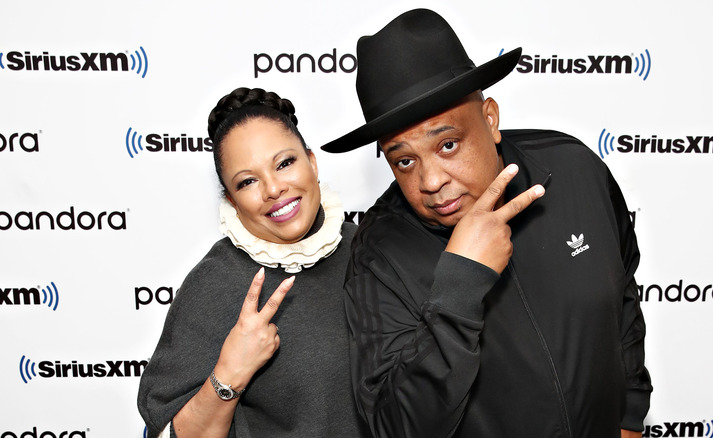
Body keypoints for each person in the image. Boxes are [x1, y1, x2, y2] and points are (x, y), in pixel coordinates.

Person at [321, 9, 652, 438]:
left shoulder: (574, 169)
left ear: (490, 119)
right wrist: (460, 285)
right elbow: (395, 427)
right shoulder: (380, 254)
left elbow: (623, 295)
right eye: (404, 160)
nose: (431, 181)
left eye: (448, 144)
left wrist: (629, 417)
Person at [138, 87, 370, 438]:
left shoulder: (371, 250)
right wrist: (230, 373)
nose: (273, 189)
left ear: (313, 162)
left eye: (285, 163)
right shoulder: (215, 283)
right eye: (248, 181)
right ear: (232, 199)